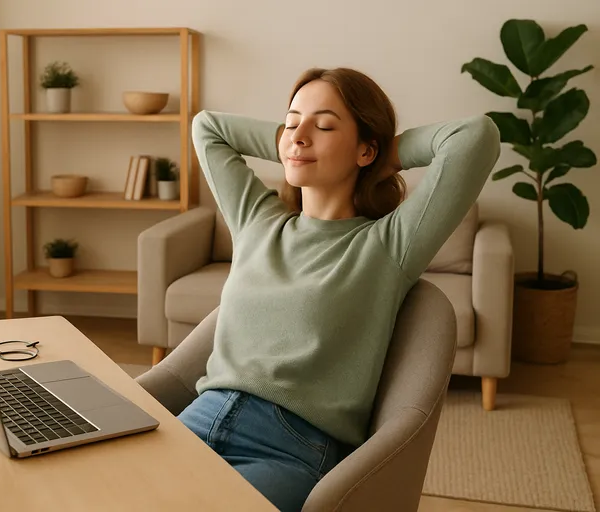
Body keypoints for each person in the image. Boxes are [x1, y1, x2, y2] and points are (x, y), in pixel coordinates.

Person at [177, 67, 501, 511]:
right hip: (195, 419)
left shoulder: (389, 246)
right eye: (291, 122)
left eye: (325, 124)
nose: (300, 135)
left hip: (286, 449)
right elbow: (207, 127)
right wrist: (292, 140)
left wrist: (388, 153)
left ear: (365, 149)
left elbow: (476, 136)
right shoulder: (257, 221)